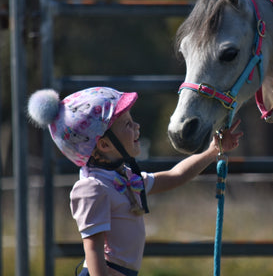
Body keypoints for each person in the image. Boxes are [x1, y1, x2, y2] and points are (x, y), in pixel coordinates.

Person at [27, 86, 242, 276]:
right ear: (104, 145)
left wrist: (214, 150)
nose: (137, 127)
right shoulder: (92, 188)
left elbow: (175, 176)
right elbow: (93, 250)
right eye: (127, 125)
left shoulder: (122, 177)